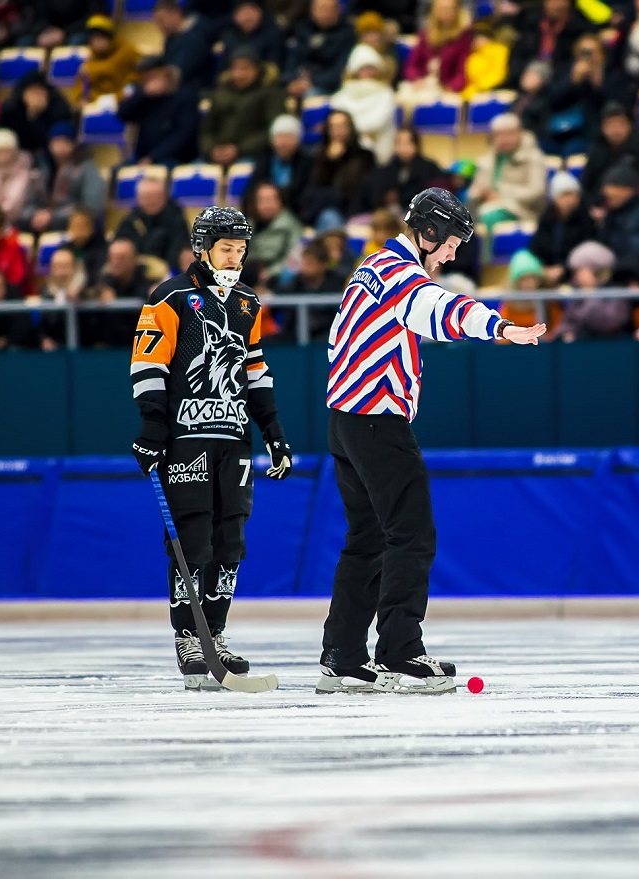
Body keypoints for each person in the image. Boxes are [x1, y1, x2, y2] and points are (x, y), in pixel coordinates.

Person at [319, 188, 546, 694]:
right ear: (426, 233)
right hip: (376, 420)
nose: (451, 255)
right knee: (411, 533)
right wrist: (503, 329)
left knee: (368, 539)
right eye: (449, 244)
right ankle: (400, 653)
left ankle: (344, 656)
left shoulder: (373, 267)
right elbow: (441, 312)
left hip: (347, 421)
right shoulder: (397, 273)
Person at [129, 206, 292, 690]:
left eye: (242, 249)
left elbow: (256, 371)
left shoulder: (247, 301)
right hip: (186, 438)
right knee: (192, 538)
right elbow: (148, 365)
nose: (236, 257)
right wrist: (153, 428)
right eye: (227, 248)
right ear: (202, 248)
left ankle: (214, 634)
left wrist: (274, 431)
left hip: (233, 438)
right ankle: (188, 637)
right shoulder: (170, 296)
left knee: (230, 541)